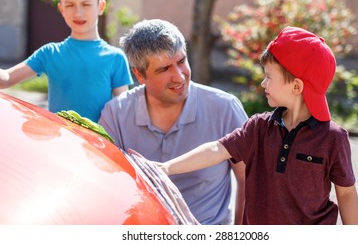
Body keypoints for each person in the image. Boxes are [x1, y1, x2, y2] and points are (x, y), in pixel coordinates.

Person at [156, 26, 358, 225]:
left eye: (269, 77)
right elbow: (216, 149)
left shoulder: (333, 138)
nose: (263, 83)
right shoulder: (258, 127)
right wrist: (167, 167)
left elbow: (346, 193)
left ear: (296, 86)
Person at [98, 19, 248, 225]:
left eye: (181, 62)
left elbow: (250, 180)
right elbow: (104, 185)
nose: (179, 77)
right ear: (140, 75)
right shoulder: (116, 114)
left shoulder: (225, 108)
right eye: (164, 69)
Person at [0, 0, 132, 122]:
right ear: (61, 9)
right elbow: (7, 78)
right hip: (60, 142)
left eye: (86, 4)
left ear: (101, 7)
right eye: (70, 5)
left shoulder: (115, 58)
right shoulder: (50, 53)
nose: (78, 12)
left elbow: (124, 111)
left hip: (98, 144)